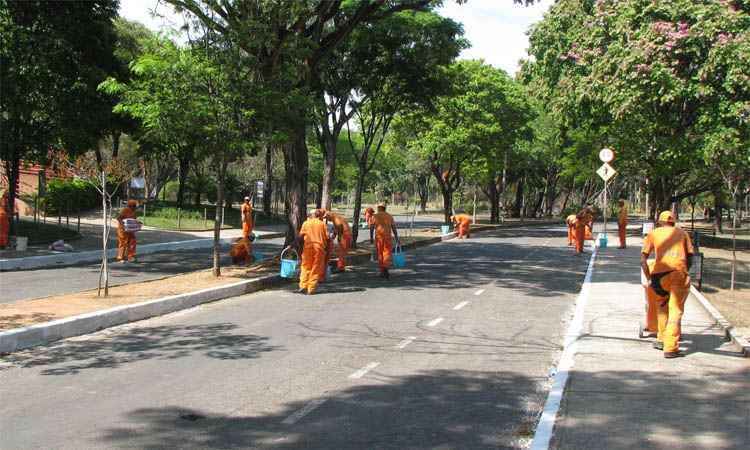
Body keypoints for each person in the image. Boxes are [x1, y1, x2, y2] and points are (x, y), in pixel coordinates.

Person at [640, 211, 695, 358]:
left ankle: (661, 339)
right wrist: (685, 272)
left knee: (662, 306)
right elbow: (690, 257)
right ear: (673, 221)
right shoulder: (682, 233)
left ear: (660, 221)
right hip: (678, 274)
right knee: (675, 310)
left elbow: (642, 260)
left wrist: (649, 278)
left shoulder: (653, 233)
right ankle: (670, 348)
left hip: (658, 277)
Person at [287, 209, 329, 295]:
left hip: (308, 248)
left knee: (305, 266)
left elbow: (300, 237)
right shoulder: (322, 224)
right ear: (318, 215)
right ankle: (311, 288)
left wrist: (292, 245)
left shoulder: (306, 223)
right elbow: (328, 238)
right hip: (319, 248)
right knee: (316, 268)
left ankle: (303, 285)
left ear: (311, 215)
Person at [370, 204, 399, 278]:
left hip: (379, 238)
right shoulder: (389, 216)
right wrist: (396, 237)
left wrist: (371, 237)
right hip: (387, 237)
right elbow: (394, 228)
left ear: (379, 208)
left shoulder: (375, 216)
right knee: (386, 253)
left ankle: (382, 270)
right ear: (385, 208)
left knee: (380, 254)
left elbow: (372, 227)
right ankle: (385, 267)